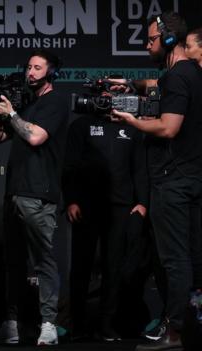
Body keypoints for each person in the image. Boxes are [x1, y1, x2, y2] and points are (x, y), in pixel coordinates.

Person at [110, 12, 202, 351]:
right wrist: (132, 87)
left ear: (167, 40)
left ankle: (174, 332)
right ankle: (190, 328)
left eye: (151, 39)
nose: (147, 45)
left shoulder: (177, 76)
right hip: (191, 178)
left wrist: (131, 120)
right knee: (192, 258)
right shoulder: (193, 74)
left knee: (175, 261)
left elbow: (168, 127)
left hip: (172, 182)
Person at [0, 49, 68, 346]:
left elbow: (35, 137)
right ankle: (12, 326)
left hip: (39, 193)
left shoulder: (56, 102)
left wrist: (12, 114)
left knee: (43, 260)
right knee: (14, 263)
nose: (30, 72)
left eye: (37, 67)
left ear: (51, 72)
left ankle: (48, 323)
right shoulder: (28, 104)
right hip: (14, 193)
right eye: (29, 67)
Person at [62, 103, 149, 341]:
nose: (110, 99)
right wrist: (71, 200)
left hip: (121, 206)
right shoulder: (81, 125)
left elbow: (139, 167)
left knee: (114, 267)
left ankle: (108, 326)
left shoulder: (132, 127)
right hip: (86, 206)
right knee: (81, 267)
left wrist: (142, 202)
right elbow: (69, 166)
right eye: (104, 94)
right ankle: (77, 327)